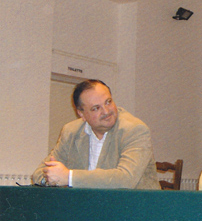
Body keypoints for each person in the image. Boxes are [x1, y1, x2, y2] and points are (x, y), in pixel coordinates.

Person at [32, 79, 160, 189]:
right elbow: (39, 172)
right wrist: (50, 179)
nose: (106, 111)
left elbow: (126, 179)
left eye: (108, 102)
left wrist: (69, 177)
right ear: (81, 114)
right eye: (96, 108)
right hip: (90, 207)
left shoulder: (134, 130)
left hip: (134, 207)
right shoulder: (70, 132)